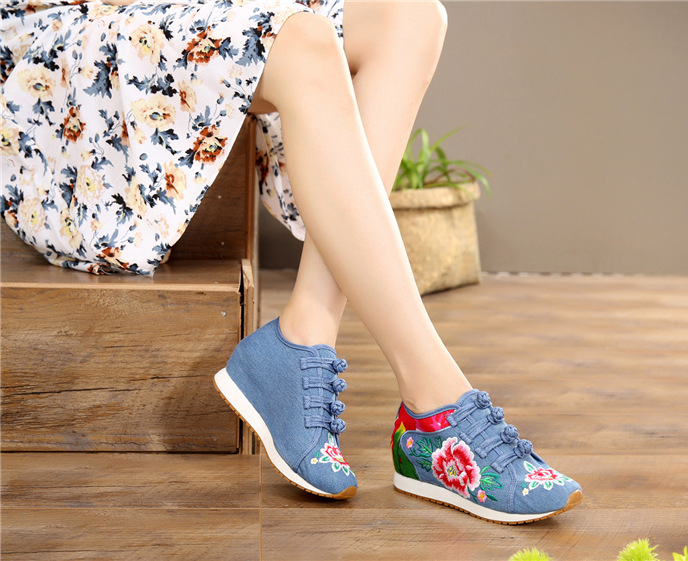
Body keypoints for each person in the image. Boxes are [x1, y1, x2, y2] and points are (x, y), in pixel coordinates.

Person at [1, 0, 582, 523]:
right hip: (66, 29)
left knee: (411, 16)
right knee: (302, 39)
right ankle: (435, 401)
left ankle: (305, 333)